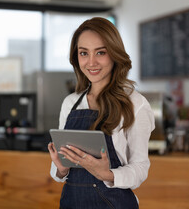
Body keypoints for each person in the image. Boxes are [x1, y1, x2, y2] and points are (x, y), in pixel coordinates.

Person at [48, 17, 155, 209]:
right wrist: (61, 167)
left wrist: (106, 174)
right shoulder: (70, 103)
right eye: (83, 53)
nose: (91, 62)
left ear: (114, 54)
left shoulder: (135, 104)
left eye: (100, 52)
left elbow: (140, 168)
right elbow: (58, 174)